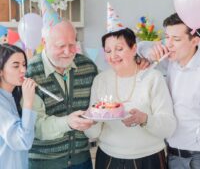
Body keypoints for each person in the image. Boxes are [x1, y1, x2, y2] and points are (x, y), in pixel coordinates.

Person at [85, 28, 176, 169]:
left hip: (149, 159)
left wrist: (145, 119)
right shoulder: (100, 80)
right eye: (108, 51)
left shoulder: (153, 78)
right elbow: (92, 133)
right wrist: (93, 119)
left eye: (119, 49)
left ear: (134, 49)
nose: (113, 55)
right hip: (108, 158)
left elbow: (168, 128)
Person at [27, 20, 98, 169]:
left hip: (82, 160)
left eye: (72, 44)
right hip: (44, 163)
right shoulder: (31, 72)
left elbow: (102, 101)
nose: (68, 51)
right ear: (44, 42)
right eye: (61, 46)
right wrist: (68, 122)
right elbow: (35, 127)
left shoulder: (88, 67)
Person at [139, 13, 200, 169]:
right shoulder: (170, 62)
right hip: (172, 154)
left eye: (177, 39)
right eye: (167, 37)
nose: (169, 44)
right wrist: (151, 52)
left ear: (195, 41)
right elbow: (140, 47)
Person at [0, 44, 36, 169]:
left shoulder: (11, 96)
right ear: (1, 71)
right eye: (16, 66)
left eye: (24, 64)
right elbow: (23, 141)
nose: (23, 70)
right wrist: (28, 103)